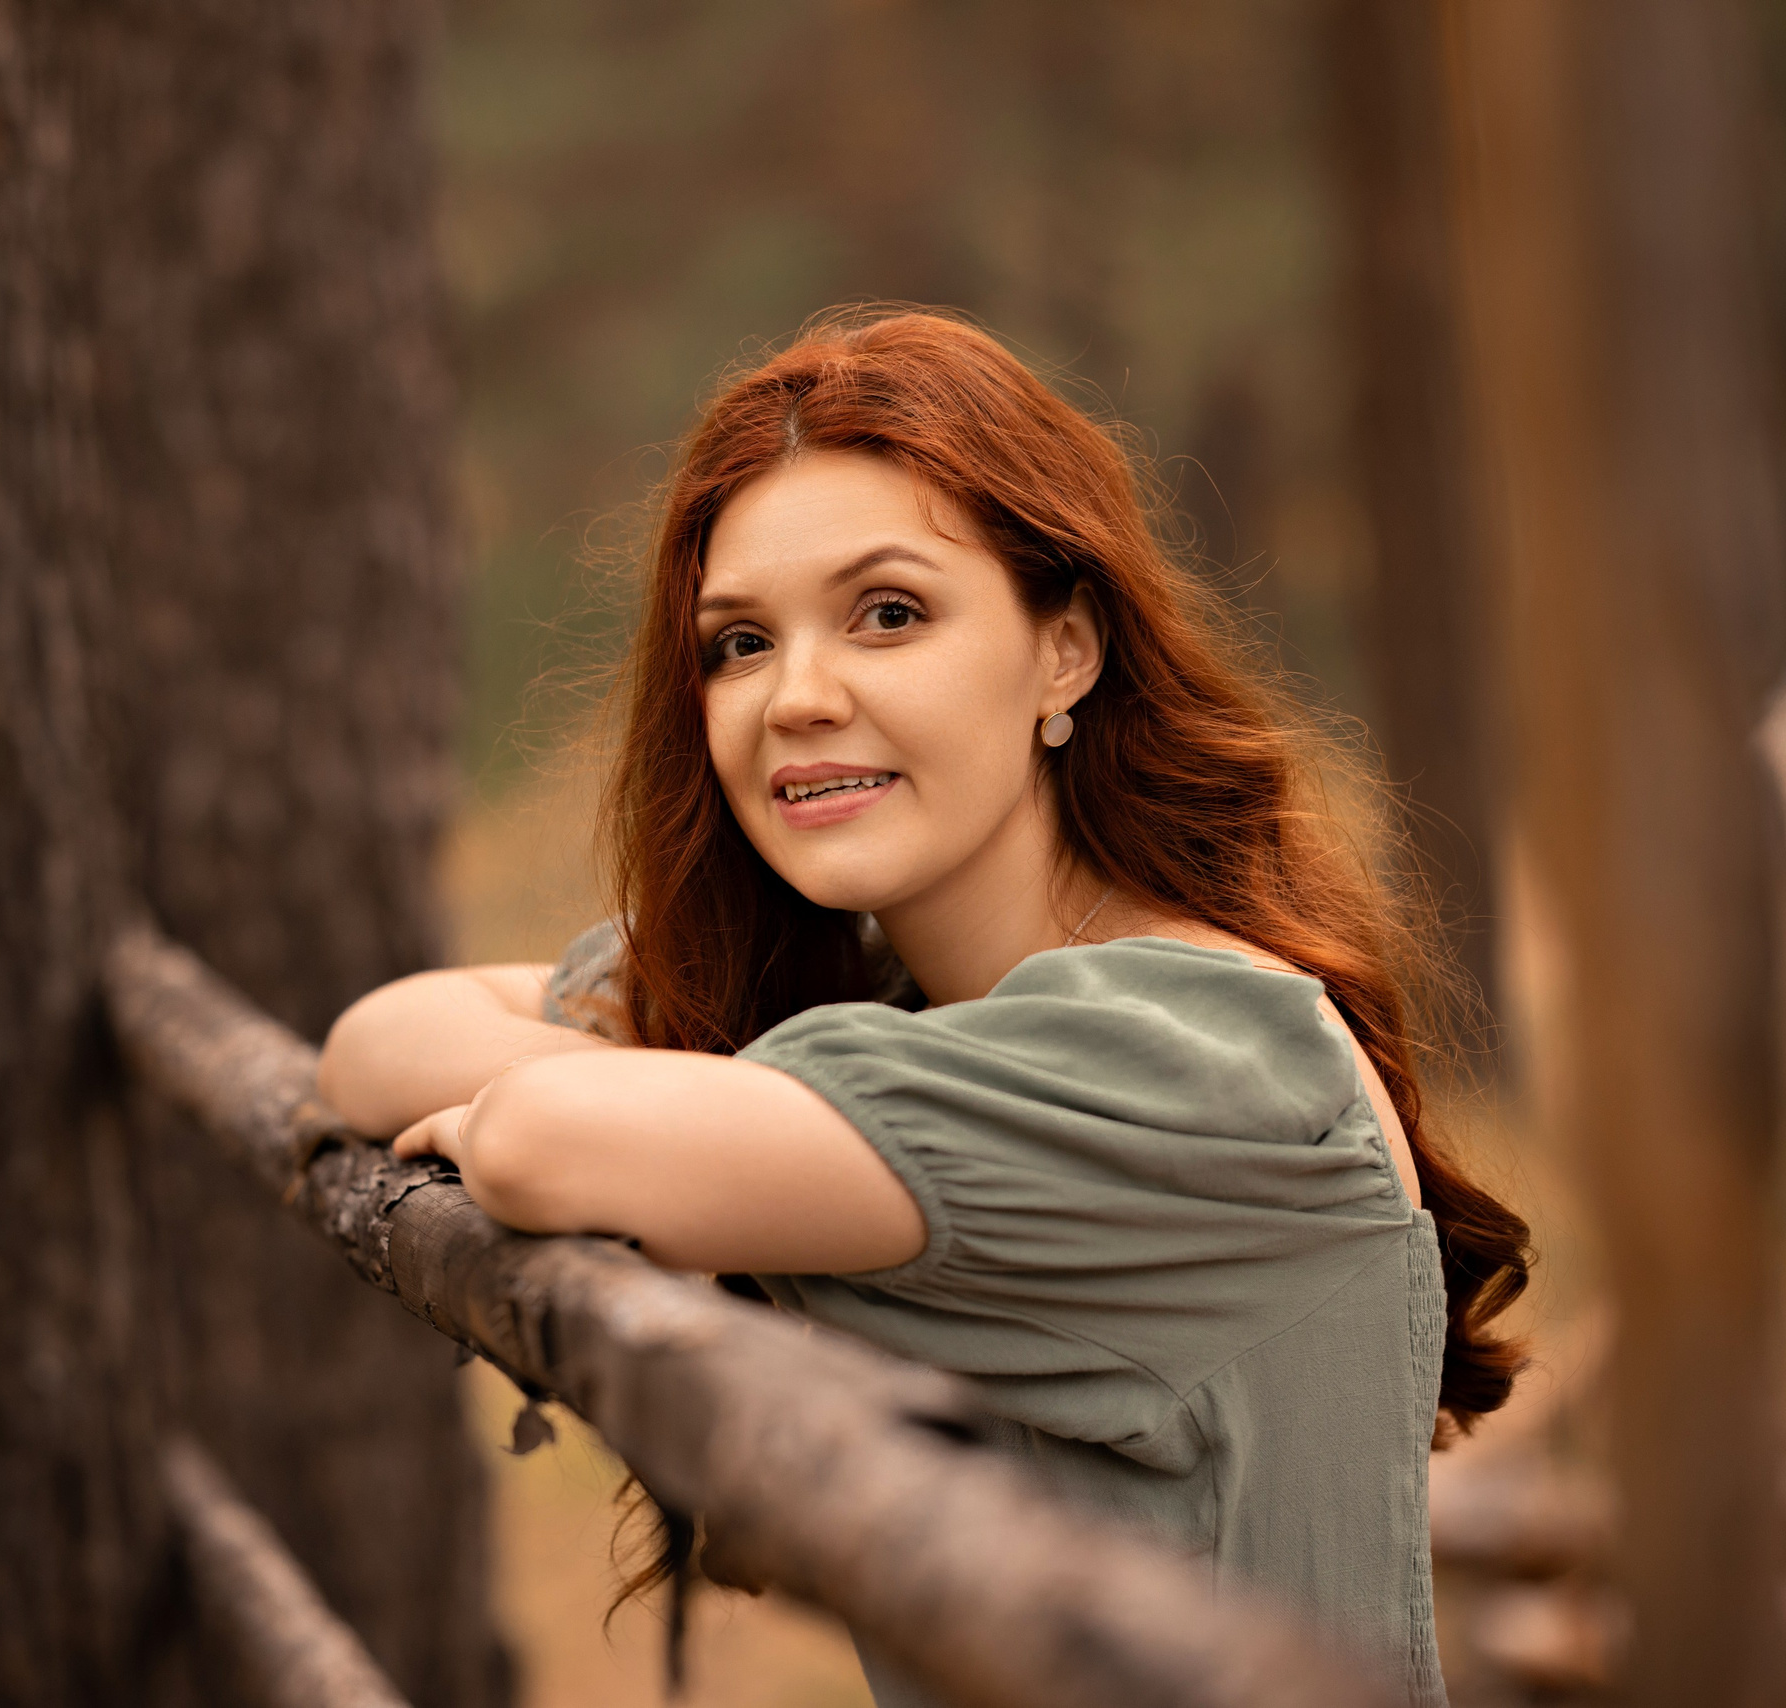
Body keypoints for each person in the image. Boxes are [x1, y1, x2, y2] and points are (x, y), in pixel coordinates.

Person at [314, 310, 1528, 1708]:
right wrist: (656, 1128)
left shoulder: (1203, 1056)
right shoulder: (896, 997)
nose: (799, 697)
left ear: (1064, 651)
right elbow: (380, 1040)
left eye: (888, 614)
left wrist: (609, 1118)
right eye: (739, 644)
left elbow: (531, 1137)